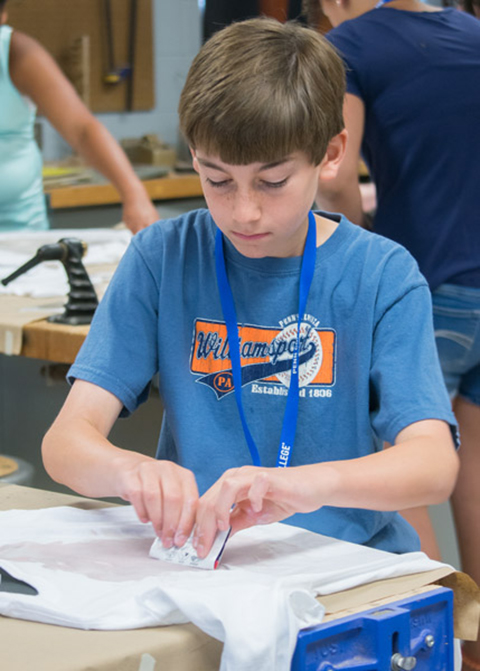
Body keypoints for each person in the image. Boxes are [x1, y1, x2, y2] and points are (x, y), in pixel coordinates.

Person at [42, 18, 459, 570]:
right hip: (208, 567)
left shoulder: (381, 275)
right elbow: (65, 442)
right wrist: (130, 471)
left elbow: (432, 465)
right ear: (194, 156)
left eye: (272, 181)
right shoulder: (163, 259)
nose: (244, 212)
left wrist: (309, 485)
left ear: (331, 154)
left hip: (341, 566)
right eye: (217, 180)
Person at [306, 0, 480, 665]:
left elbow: (335, 173)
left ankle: (432, 655)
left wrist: (362, 259)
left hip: (426, 288)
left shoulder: (350, 47)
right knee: (473, 482)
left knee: (401, 478)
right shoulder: (472, 33)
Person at [0, 0, 158, 233]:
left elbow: (82, 129)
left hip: (20, 229)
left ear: (3, 16)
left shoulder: (17, 53)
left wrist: (134, 193)